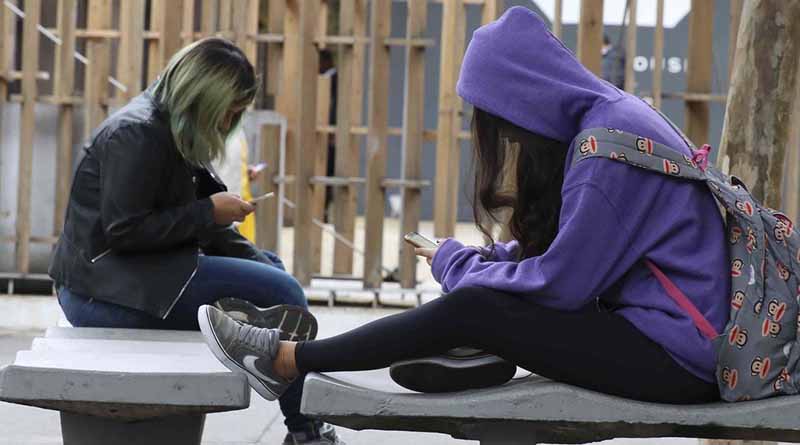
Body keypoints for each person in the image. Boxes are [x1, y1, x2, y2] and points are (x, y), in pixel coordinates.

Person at [198, 7, 729, 405]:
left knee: (474, 309)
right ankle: (469, 344)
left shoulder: (603, 148)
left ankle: (286, 361)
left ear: (520, 101)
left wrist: (460, 266)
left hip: (680, 358)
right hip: (670, 336)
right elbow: (590, 247)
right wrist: (492, 262)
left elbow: (562, 284)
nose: (503, 137)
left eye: (497, 120)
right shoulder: (616, 120)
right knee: (480, 309)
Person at [48, 38, 343, 445]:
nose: (230, 123)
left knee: (271, 272)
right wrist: (209, 212)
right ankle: (307, 431)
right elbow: (126, 231)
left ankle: (294, 407)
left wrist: (248, 252)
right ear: (206, 99)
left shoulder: (170, 124)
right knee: (284, 292)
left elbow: (204, 226)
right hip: (101, 294)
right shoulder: (136, 134)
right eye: (232, 112)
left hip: (133, 277)